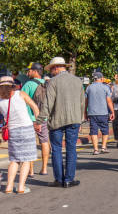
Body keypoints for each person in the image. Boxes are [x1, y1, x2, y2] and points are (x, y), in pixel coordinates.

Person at [35, 57, 86, 188]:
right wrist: (80, 119)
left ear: (56, 67)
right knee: (71, 149)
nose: (51, 72)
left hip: (57, 120)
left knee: (56, 149)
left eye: (51, 69)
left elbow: (48, 104)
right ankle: (69, 179)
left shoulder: (53, 82)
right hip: (74, 119)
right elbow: (82, 102)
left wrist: (39, 120)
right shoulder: (77, 81)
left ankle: (59, 179)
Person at [0, 76, 40, 194]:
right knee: (26, 160)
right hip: (27, 129)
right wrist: (38, 123)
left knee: (14, 160)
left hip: (12, 131)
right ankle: (21, 187)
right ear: (13, 85)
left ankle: (8, 187)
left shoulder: (0, 100)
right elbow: (35, 108)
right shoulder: (21, 94)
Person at [22, 62, 50, 176]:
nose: (28, 72)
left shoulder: (28, 84)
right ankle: (44, 169)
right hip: (43, 118)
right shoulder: (47, 83)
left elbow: (21, 100)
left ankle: (31, 170)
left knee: (30, 143)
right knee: (44, 142)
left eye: (29, 70)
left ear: (35, 71)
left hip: (29, 119)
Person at [85, 72, 114, 155]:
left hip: (92, 113)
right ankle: (103, 147)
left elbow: (86, 102)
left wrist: (85, 112)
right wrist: (112, 112)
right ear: (101, 78)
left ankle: (95, 149)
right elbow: (109, 101)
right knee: (105, 130)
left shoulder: (89, 87)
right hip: (103, 112)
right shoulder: (106, 87)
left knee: (93, 131)